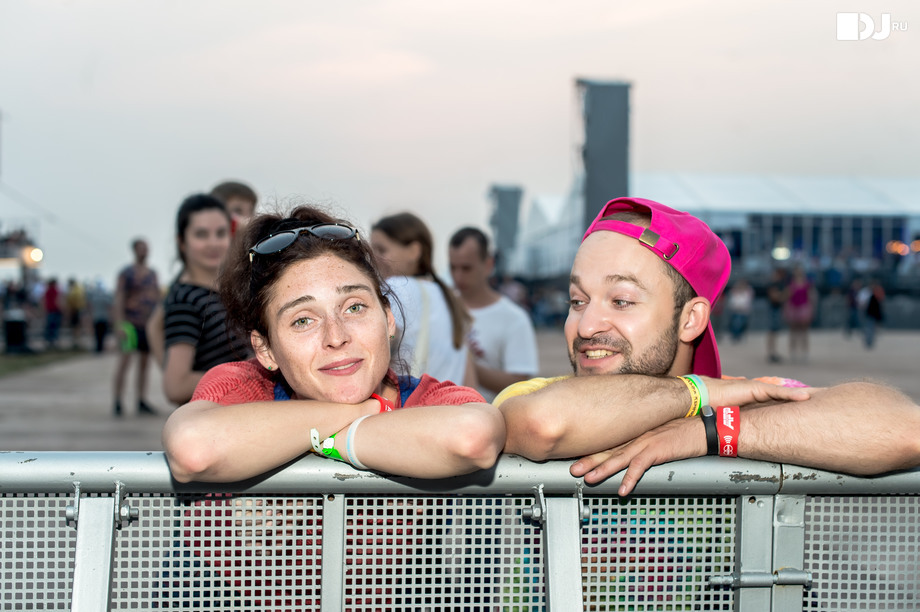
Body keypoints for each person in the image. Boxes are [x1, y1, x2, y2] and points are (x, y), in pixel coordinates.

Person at [496, 197, 920, 496]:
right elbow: (544, 424)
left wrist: (709, 432)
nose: (586, 326)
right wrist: (696, 394)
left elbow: (905, 429)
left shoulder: (737, 404)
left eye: (621, 301)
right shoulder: (535, 395)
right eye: (577, 301)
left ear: (691, 319)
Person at [163, 205, 505, 483]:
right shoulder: (243, 388)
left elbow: (473, 437)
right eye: (303, 320)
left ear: (388, 319)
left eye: (354, 307)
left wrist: (329, 439)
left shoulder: (426, 400)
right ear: (265, 349)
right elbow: (193, 448)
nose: (336, 337)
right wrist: (361, 412)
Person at [148, 180, 258, 367]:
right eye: (237, 211)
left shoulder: (245, 256)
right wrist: (171, 373)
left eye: (251, 211)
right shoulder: (198, 271)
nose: (245, 219)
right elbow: (154, 326)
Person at [161, 194, 251, 405]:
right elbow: (176, 385)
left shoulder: (223, 290)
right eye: (201, 234)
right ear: (182, 242)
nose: (213, 243)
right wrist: (247, 372)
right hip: (218, 418)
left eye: (221, 233)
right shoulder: (186, 300)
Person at [370, 212, 474, 385]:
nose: (373, 258)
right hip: (450, 400)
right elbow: (469, 378)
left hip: (413, 400)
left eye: (381, 250)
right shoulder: (450, 297)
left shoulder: (397, 287)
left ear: (414, 251)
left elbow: (376, 352)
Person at [448, 227, 538, 401]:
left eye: (466, 268)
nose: (458, 276)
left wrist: (464, 361)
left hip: (489, 414)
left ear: (488, 265)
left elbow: (519, 383)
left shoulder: (514, 318)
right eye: (453, 268)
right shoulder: (440, 308)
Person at [112, 238, 161, 417]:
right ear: (134, 250)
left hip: (147, 324)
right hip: (130, 324)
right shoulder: (127, 273)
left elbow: (156, 298)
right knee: (124, 362)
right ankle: (117, 401)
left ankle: (141, 399)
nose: (144, 251)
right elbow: (119, 298)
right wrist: (120, 324)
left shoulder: (152, 274)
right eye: (141, 248)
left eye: (146, 248)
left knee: (144, 364)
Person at [783, 265, 816, 362]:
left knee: (804, 331)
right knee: (793, 331)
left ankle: (805, 352)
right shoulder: (791, 284)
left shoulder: (807, 284)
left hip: (803, 308)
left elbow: (811, 297)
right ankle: (793, 351)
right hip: (793, 308)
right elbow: (787, 296)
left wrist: (811, 309)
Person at [765, 267, 787, 363]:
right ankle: (771, 353)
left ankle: (772, 352)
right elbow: (775, 297)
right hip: (773, 309)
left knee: (774, 332)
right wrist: (783, 295)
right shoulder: (773, 284)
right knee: (772, 332)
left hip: (776, 309)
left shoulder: (779, 284)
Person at [726, 278, 754, 343]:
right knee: (736, 324)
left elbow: (749, 299)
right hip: (736, 310)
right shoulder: (735, 291)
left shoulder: (747, 291)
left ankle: (738, 336)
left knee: (743, 324)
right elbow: (732, 300)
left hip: (744, 311)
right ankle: (735, 336)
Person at [64, 277, 87, 350]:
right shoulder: (80, 289)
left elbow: (70, 304)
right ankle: (79, 341)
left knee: (75, 327)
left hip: (75, 311)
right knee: (78, 327)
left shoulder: (72, 291)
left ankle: (76, 341)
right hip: (80, 310)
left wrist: (68, 313)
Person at [863, 278, 885, 349]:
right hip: (869, 313)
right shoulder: (867, 292)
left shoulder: (877, 292)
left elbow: (880, 303)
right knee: (869, 328)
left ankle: (870, 341)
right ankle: (868, 341)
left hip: (875, 314)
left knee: (873, 329)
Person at [41, 278, 63, 349]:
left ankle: (49, 341)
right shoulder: (55, 291)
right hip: (54, 310)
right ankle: (53, 341)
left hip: (49, 311)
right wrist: (61, 309)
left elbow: (44, 301)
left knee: (50, 326)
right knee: (54, 327)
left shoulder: (47, 291)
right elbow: (57, 301)